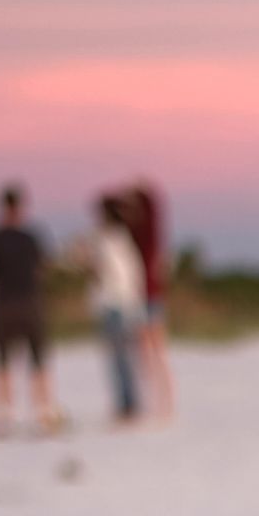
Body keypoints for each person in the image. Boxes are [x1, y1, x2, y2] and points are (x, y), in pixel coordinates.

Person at [0, 184, 62, 435]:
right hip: (31, 303)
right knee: (38, 361)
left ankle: (4, 416)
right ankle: (43, 413)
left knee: (2, 362)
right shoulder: (31, 236)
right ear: (21, 207)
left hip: (4, 304)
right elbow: (44, 268)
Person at [86, 193, 147, 425]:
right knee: (122, 358)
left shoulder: (109, 239)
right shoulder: (123, 239)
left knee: (120, 359)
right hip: (123, 304)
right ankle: (127, 404)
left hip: (115, 305)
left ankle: (128, 406)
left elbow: (111, 273)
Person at [119, 178, 175, 420]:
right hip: (151, 297)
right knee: (154, 354)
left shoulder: (141, 231)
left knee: (150, 355)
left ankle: (160, 402)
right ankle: (163, 402)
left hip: (144, 299)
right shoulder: (151, 231)